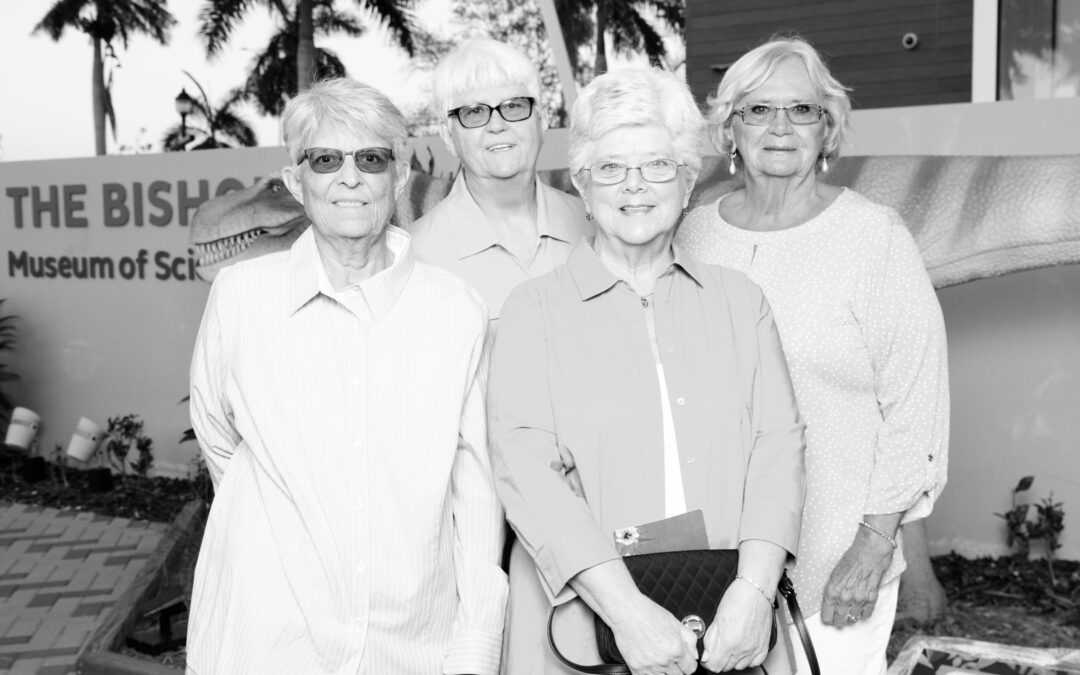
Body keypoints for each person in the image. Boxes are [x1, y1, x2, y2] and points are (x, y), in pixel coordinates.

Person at [489, 67, 807, 675]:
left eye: (657, 165)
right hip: (582, 628)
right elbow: (525, 472)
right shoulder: (532, 311)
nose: (634, 186)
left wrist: (753, 594)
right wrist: (629, 614)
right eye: (611, 167)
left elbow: (779, 449)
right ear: (582, 185)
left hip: (731, 622)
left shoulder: (742, 302)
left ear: (687, 182)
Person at [187, 77, 507, 675]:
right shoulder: (240, 297)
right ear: (296, 182)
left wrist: (476, 641)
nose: (350, 178)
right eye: (326, 160)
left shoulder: (456, 308)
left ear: (399, 176)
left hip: (410, 643)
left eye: (371, 159)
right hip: (269, 637)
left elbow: (477, 488)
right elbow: (217, 438)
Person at [677, 37, 950, 675]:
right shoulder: (692, 233)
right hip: (711, 567)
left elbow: (917, 406)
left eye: (801, 110)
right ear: (730, 128)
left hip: (835, 566)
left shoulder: (873, 237)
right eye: (758, 109)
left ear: (827, 129)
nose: (780, 127)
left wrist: (873, 548)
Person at [408, 38, 590, 321]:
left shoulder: (594, 226)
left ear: (542, 120)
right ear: (448, 136)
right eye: (474, 112)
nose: (497, 125)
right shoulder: (414, 256)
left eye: (513, 106)